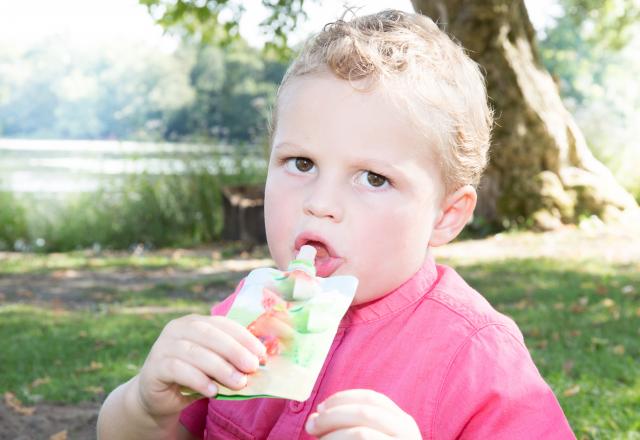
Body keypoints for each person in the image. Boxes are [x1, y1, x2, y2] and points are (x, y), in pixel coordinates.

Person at [97, 9, 575, 439]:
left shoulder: (478, 359)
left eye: (373, 178)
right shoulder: (245, 315)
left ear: (446, 216)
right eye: (301, 163)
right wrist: (145, 407)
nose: (321, 202)